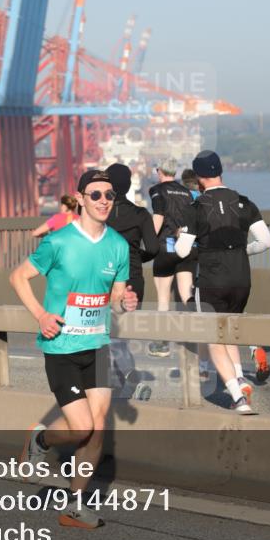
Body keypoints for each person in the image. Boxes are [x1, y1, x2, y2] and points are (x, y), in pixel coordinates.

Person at [12, 169, 138, 529]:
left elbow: (115, 297)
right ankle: (41, 437)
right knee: (81, 428)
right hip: (62, 347)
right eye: (95, 194)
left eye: (109, 196)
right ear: (80, 198)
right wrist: (40, 314)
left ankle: (75, 505)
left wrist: (124, 300)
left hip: (97, 345)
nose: (103, 201)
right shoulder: (60, 241)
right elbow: (18, 277)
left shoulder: (117, 245)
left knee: (97, 429)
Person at [175, 151, 270, 415]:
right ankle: (240, 378)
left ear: (198, 178)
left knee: (212, 337)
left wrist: (185, 238)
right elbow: (266, 241)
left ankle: (238, 397)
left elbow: (183, 252)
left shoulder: (194, 208)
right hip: (242, 278)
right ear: (220, 171)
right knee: (229, 329)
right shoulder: (244, 202)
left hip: (212, 279)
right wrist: (242, 252)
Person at [105, 163, 159, 396]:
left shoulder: (98, 214)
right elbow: (155, 248)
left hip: (104, 279)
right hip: (134, 279)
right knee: (119, 332)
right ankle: (123, 378)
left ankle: (129, 377)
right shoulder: (140, 214)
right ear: (128, 186)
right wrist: (136, 257)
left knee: (108, 332)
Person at [146, 158, 195, 358]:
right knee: (186, 295)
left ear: (160, 172)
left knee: (163, 297)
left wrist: (148, 242)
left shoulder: (157, 190)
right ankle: (196, 336)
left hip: (165, 248)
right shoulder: (186, 192)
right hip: (186, 246)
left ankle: (162, 344)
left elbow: (158, 217)